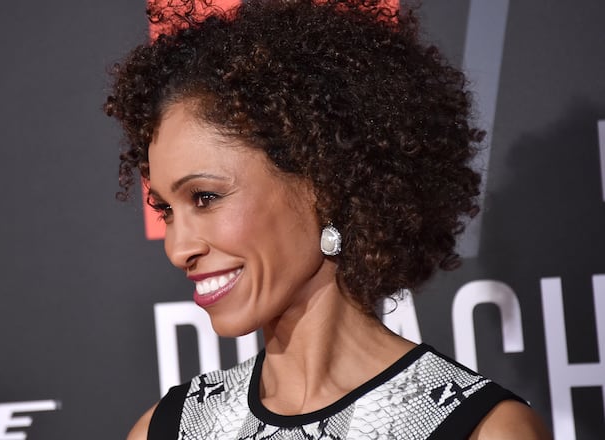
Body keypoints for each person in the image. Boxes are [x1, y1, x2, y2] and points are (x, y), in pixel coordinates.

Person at [104, 0, 551, 438]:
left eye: (205, 197)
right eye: (165, 210)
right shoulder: (167, 429)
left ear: (324, 183)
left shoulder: (486, 430)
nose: (178, 248)